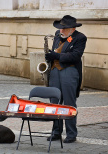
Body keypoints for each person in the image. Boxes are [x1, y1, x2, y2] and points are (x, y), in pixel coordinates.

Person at [45, 15, 87, 143]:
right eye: (60, 28)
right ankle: (56, 132)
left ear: (72, 28)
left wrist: (56, 55)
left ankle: (71, 134)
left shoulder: (80, 38)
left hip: (69, 71)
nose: (61, 31)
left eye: (64, 29)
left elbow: (75, 56)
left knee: (69, 103)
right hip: (55, 72)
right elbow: (55, 50)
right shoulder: (58, 34)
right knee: (54, 103)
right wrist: (50, 57)